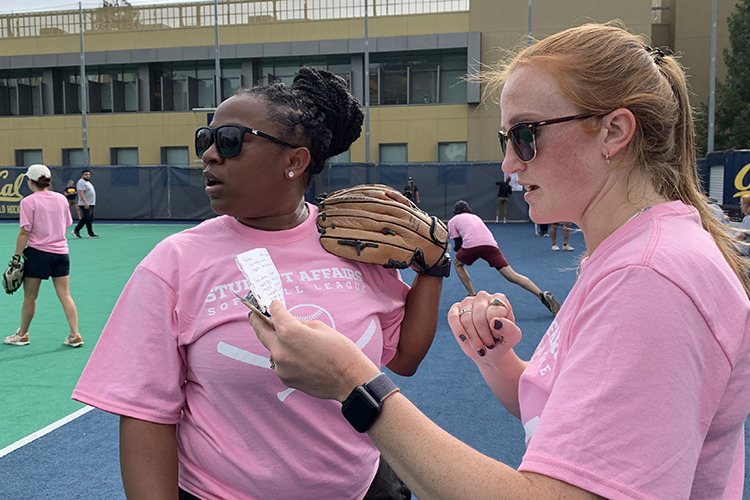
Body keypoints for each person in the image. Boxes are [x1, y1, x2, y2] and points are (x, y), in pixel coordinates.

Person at [247, 23, 750, 499]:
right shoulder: (634, 255)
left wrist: (355, 384)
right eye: (505, 140)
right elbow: (568, 420)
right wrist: (498, 359)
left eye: (526, 134)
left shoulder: (649, 277)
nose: (510, 162)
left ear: (614, 131)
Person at [72, 67, 446, 500]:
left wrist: (432, 269)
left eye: (229, 140)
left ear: (294, 160)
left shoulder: (353, 243)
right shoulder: (174, 262)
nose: (210, 154)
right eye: (205, 140)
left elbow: (402, 357)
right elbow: (145, 417)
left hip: (364, 487)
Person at [4, 164, 83, 348]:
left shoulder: (28, 202)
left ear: (30, 181)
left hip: (38, 254)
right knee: (65, 294)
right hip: (61, 252)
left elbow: (25, 232)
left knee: (30, 297)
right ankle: (75, 334)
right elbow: (66, 224)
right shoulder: (61, 199)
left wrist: (16, 258)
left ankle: (22, 335)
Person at [448, 199, 560, 314]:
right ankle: (540, 294)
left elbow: (457, 246)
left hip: (471, 245)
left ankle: (472, 295)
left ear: (455, 212)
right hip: (490, 245)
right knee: (512, 275)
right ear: (468, 210)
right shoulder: (476, 217)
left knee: (457, 263)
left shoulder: (453, 221)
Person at [73, 169, 98, 239]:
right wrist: (85, 202)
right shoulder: (81, 182)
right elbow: (81, 193)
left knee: (90, 218)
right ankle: (76, 230)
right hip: (85, 204)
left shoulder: (87, 183)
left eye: (89, 174)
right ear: (82, 175)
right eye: (86, 174)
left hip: (91, 203)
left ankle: (90, 233)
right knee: (86, 217)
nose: (88, 176)